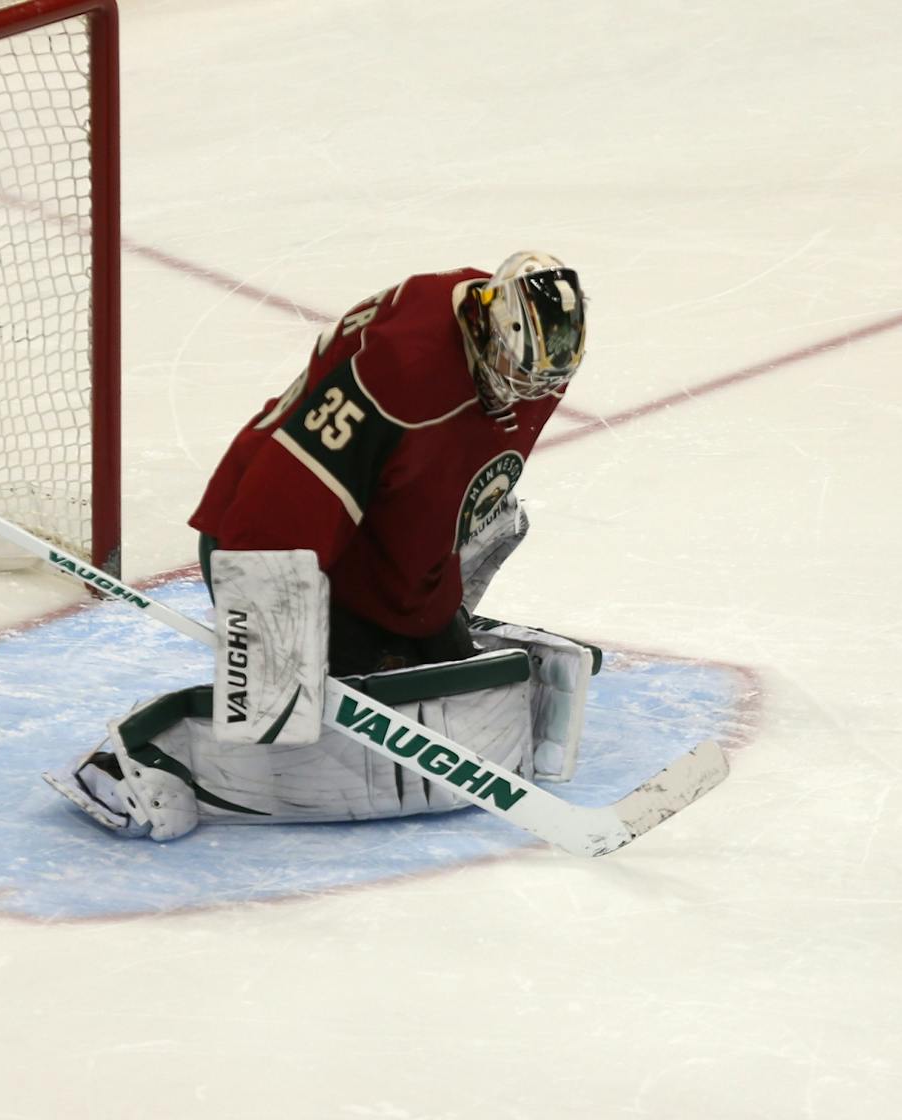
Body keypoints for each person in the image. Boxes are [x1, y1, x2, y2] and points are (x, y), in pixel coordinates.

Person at [44, 251, 602, 840]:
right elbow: (282, 503)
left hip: (384, 527)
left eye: (536, 382)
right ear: (486, 320)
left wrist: (432, 592)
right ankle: (130, 757)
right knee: (295, 727)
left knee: (446, 691)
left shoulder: (529, 353)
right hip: (282, 538)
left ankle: (404, 633)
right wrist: (272, 648)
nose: (518, 394)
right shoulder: (404, 370)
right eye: (510, 374)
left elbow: (445, 472)